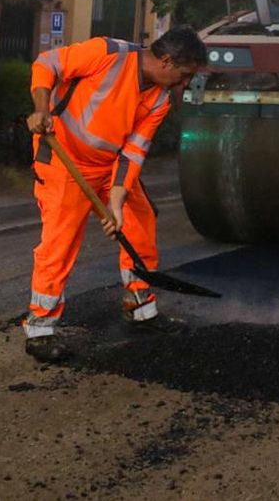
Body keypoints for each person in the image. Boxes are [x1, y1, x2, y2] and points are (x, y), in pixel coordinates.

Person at [21, 26, 208, 363]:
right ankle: (40, 330)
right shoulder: (107, 53)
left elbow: (133, 153)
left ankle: (139, 308)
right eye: (185, 75)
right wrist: (42, 108)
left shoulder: (160, 100)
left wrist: (116, 203)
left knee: (140, 222)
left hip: (110, 167)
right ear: (167, 61)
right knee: (60, 243)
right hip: (64, 160)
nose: (185, 85)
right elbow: (47, 63)